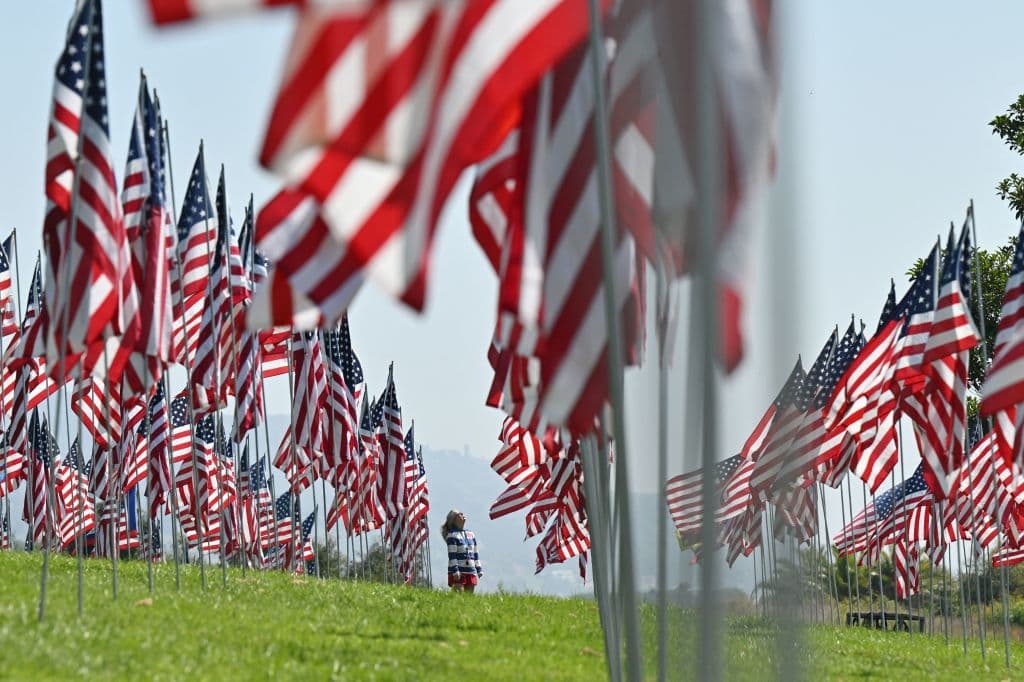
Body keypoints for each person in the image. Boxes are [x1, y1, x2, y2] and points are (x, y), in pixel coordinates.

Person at [442, 509, 482, 593]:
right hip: (458, 572)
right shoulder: (452, 536)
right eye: (459, 514)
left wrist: (478, 568)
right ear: (454, 519)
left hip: (471, 571)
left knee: (469, 598)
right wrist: (455, 571)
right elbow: (452, 555)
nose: (462, 514)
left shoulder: (471, 534)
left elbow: (475, 552)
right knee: (458, 596)